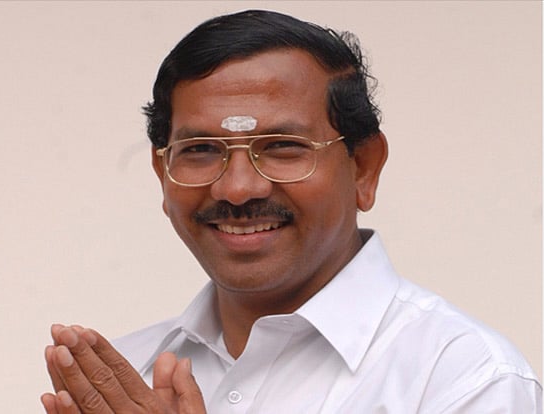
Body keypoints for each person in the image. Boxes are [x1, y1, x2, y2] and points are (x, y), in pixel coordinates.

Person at [41, 9, 541, 413]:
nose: (237, 189)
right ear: (162, 173)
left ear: (364, 168)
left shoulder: (462, 380)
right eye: (201, 150)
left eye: (282, 147)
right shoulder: (123, 382)